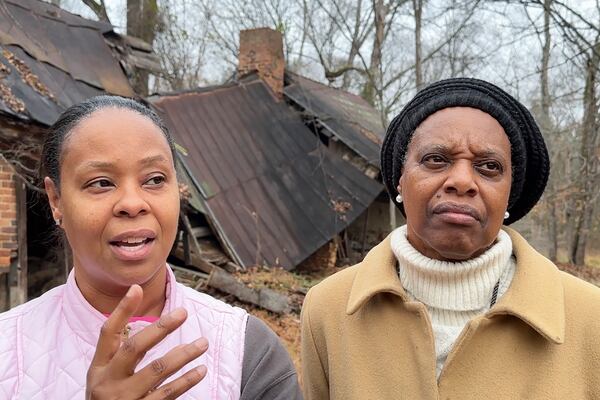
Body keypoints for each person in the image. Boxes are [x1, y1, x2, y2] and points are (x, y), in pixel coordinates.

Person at [301, 78, 600, 399]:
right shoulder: (327, 310)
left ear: (509, 194)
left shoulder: (590, 319)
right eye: (436, 159)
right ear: (400, 181)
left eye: (488, 166)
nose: (461, 180)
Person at [0, 96, 302, 399]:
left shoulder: (248, 353)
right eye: (101, 183)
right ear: (56, 201)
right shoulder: (7, 351)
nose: (133, 204)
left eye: (155, 179)